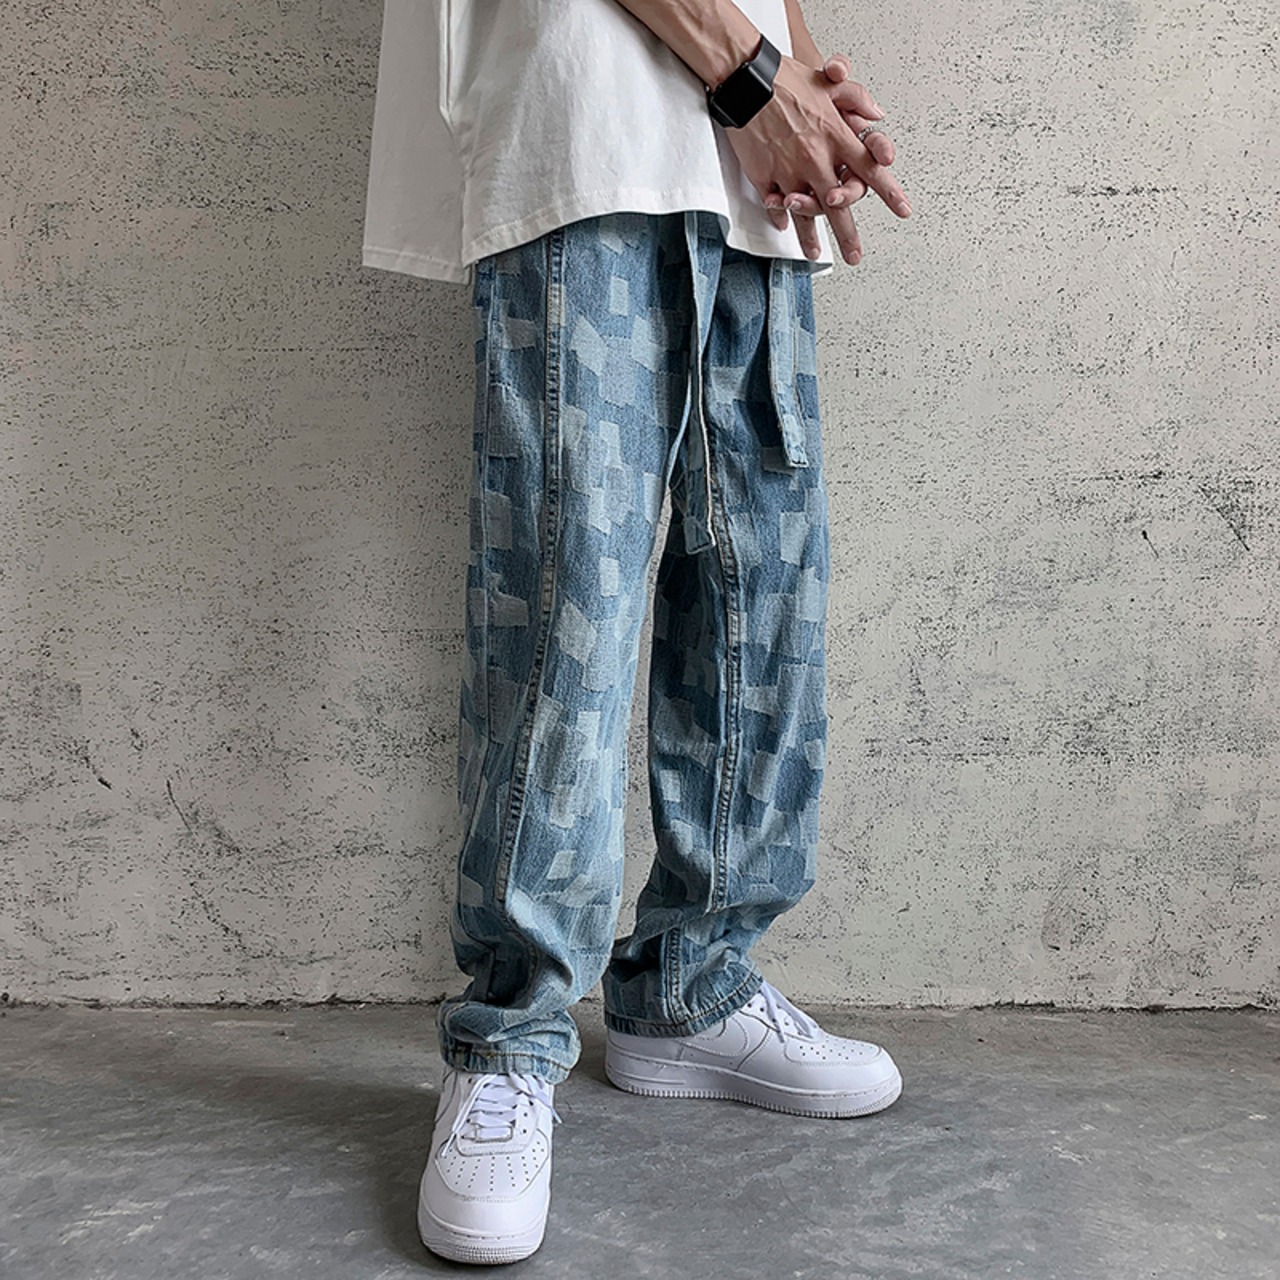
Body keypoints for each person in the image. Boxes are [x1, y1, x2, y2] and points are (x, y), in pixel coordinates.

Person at [362, 0, 914, 1264]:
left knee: (760, 585)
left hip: (744, 149)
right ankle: (508, 1041)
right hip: (589, 107)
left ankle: (689, 984)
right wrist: (752, 79)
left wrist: (801, 88)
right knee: (566, 592)